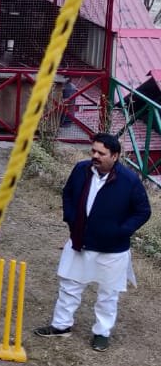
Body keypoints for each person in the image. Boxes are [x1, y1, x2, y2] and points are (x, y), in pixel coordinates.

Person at [34, 131, 150, 350]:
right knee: (69, 285)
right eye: (93, 151)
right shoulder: (81, 170)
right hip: (80, 240)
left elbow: (143, 211)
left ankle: (102, 332)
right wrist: (70, 217)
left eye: (101, 153)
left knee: (108, 294)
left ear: (115, 156)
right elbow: (68, 194)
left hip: (112, 249)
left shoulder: (129, 181)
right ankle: (61, 325)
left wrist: (121, 231)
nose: (95, 156)